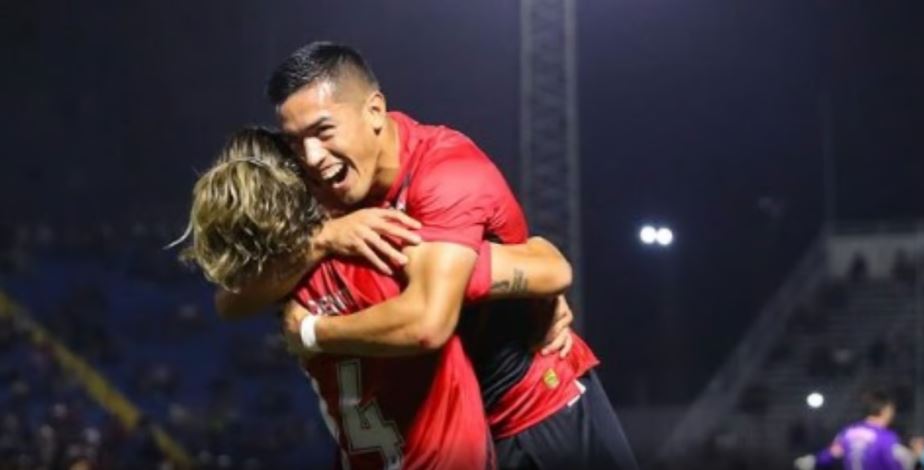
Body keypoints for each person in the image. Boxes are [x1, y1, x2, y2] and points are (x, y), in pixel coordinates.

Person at [216, 42, 637, 469]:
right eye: (295, 141)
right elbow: (231, 299)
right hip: (433, 429)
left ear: (374, 111)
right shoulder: (324, 193)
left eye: (323, 131)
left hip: (532, 411)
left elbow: (434, 320)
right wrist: (321, 240)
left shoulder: (446, 173)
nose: (311, 157)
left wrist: (312, 331)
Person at [181, 127, 577, 468]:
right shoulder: (391, 255)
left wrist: (311, 325)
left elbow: (228, 301)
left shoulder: (282, 293)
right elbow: (553, 269)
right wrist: (538, 296)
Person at [795, 390, 915, 470]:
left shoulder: (848, 432)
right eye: (891, 410)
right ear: (885, 410)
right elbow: (895, 463)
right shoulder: (885, 437)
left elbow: (831, 454)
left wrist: (813, 460)